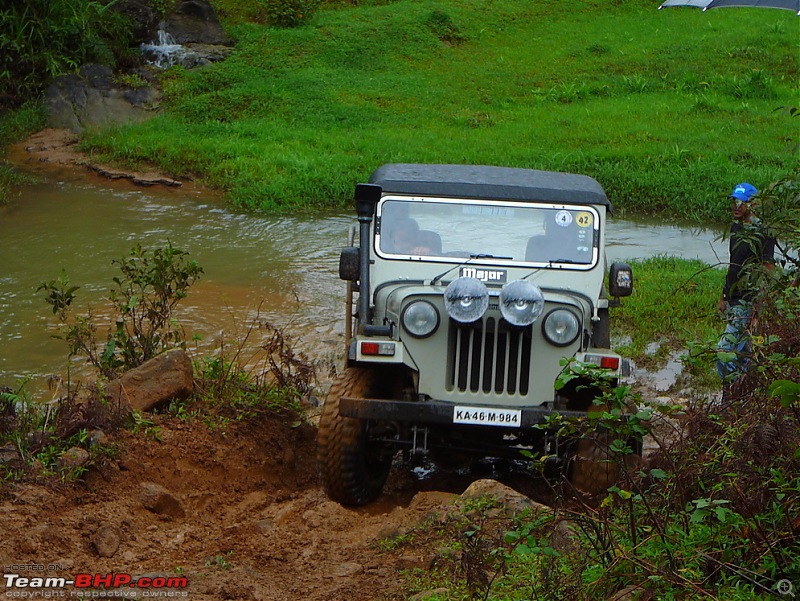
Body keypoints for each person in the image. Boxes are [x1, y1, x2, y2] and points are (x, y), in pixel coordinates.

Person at [716, 182, 775, 380]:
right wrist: (723, 296)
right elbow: (733, 264)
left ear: (754, 204)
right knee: (744, 352)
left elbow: (767, 270)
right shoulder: (735, 228)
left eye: (742, 202)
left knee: (724, 351)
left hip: (748, 300)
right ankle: (741, 394)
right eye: (734, 201)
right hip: (733, 298)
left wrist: (758, 307)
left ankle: (730, 391)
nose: (736, 206)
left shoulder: (763, 232)